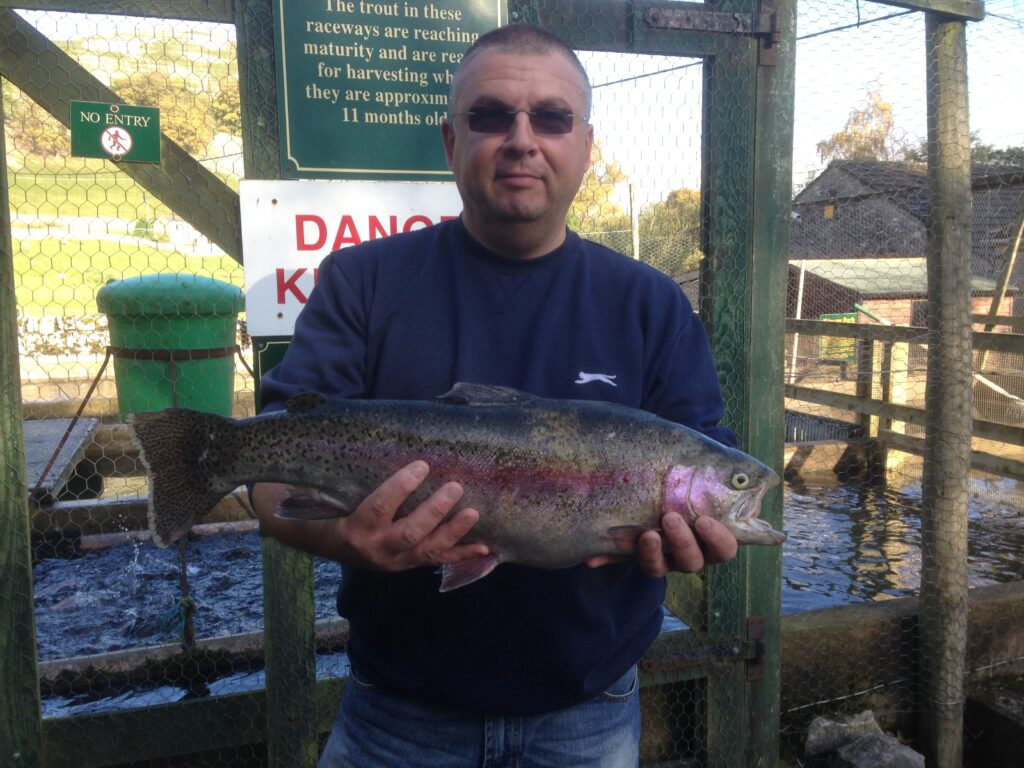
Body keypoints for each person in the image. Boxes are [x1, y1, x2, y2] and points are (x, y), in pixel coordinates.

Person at [253, 23, 740, 768]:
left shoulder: (652, 305)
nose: (521, 138)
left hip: (590, 714)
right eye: (490, 116)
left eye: (551, 117)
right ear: (452, 142)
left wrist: (695, 544)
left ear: (585, 146)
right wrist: (343, 539)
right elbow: (265, 473)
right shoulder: (361, 280)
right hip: (395, 716)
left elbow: (706, 485)